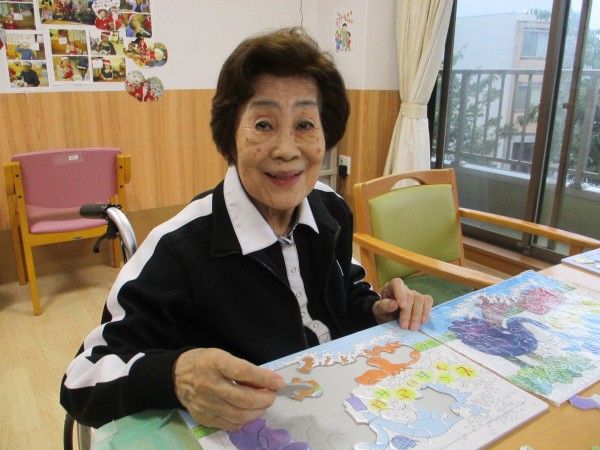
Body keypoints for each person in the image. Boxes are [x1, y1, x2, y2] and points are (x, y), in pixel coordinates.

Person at [60, 27, 432, 432]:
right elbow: (81, 379)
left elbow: (346, 291)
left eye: (305, 124)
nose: (286, 149)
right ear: (231, 136)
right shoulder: (178, 248)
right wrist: (176, 376)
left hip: (347, 409)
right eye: (264, 124)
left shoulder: (331, 209)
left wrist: (376, 309)